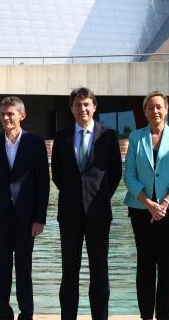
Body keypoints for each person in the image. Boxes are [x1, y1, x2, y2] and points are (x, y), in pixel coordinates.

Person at [52, 87, 123, 320]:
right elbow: (57, 174)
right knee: (69, 271)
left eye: (86, 104)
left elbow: (115, 174)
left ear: (94, 107)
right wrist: (76, 195)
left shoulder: (108, 135)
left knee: (99, 271)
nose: (82, 109)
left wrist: (98, 196)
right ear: (71, 109)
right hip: (69, 213)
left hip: (99, 213)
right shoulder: (61, 137)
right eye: (77, 105)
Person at [0, 96, 50, 320]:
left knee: (24, 268)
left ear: (22, 115)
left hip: (27, 218)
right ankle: (4, 313)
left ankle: (26, 313)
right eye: (2, 114)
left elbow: (43, 184)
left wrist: (40, 218)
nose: (6, 117)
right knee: (2, 268)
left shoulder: (36, 144)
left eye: (10, 113)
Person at [123, 90, 169, 320]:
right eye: (150, 107)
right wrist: (149, 203)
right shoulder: (135, 137)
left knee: (166, 264)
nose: (155, 111)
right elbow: (129, 176)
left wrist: (163, 204)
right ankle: (145, 316)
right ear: (144, 112)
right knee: (145, 264)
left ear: (166, 108)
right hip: (141, 209)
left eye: (159, 106)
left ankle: (163, 316)